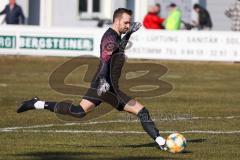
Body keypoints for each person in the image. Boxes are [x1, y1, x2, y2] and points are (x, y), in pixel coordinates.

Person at [17, 8, 168, 151]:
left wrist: (129, 34)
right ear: (117, 21)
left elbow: (118, 49)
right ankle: (161, 142)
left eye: (129, 23)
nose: (128, 25)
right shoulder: (109, 38)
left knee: (78, 111)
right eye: (126, 23)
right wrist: (103, 80)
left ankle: (37, 103)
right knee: (142, 111)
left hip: (109, 87)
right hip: (103, 86)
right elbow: (105, 60)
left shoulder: (116, 36)